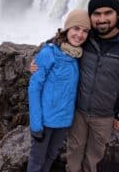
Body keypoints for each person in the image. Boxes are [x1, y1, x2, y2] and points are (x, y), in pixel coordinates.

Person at [30, 0, 119, 172]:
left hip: (105, 115)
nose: (102, 19)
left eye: (108, 13)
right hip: (78, 112)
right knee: (73, 152)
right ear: (91, 16)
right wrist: (36, 61)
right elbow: (63, 38)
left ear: (117, 13)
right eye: (97, 14)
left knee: (94, 156)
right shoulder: (88, 37)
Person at [27, 9, 91, 172]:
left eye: (85, 31)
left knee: (51, 156)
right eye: (76, 28)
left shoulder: (78, 56)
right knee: (36, 160)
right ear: (67, 29)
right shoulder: (49, 53)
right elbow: (34, 89)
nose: (80, 35)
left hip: (64, 120)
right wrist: (36, 124)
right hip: (45, 121)